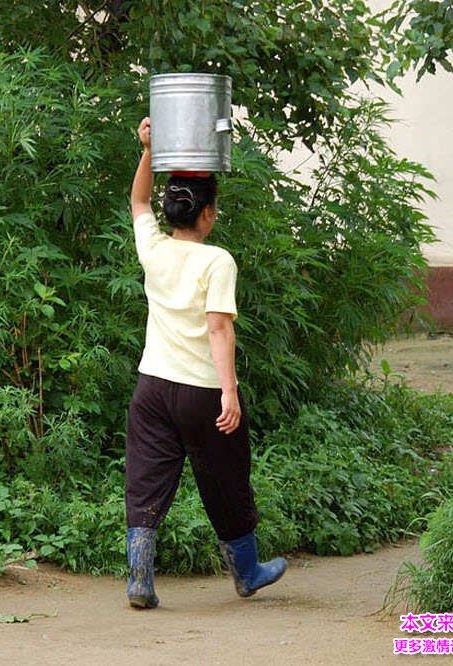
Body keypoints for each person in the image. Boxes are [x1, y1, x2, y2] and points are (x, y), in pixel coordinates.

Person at [124, 116, 287, 609]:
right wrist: (230, 391)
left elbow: (136, 201)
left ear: (174, 211)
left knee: (146, 476)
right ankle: (248, 572)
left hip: (151, 387)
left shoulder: (153, 249)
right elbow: (220, 328)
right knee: (227, 479)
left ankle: (139, 579)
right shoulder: (218, 261)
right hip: (201, 392)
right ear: (209, 214)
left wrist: (149, 149)